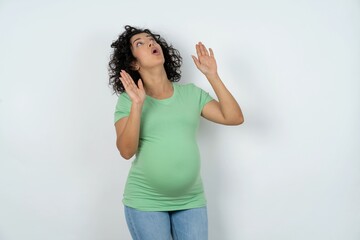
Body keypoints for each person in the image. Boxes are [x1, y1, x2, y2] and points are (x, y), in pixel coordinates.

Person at [108, 25, 244, 240]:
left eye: (151, 39)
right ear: (133, 62)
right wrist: (137, 105)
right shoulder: (128, 101)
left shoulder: (191, 94)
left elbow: (234, 117)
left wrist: (213, 76)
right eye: (140, 43)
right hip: (146, 202)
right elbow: (126, 151)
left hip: (191, 200)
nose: (151, 43)